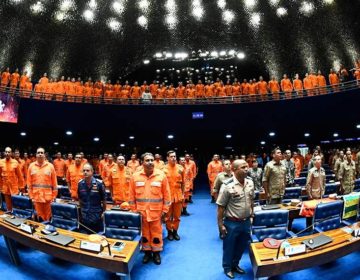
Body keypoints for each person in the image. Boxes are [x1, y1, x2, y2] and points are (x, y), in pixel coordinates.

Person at [128, 153, 171, 265]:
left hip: (156, 212)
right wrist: (134, 211)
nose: (151, 162)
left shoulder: (161, 176)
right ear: (142, 162)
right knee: (145, 234)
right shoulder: (135, 177)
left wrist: (165, 210)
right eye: (147, 160)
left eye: (152, 160)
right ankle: (147, 252)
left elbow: (167, 195)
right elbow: (131, 196)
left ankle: (156, 253)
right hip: (141, 212)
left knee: (157, 233)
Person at [216, 160, 254, 279]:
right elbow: (221, 207)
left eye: (247, 167)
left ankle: (235, 264)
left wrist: (251, 215)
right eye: (243, 167)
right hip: (232, 222)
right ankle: (227, 268)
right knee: (229, 247)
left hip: (246, 221)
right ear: (234, 170)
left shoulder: (250, 182)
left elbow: (251, 200)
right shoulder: (227, 185)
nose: (246, 169)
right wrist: (220, 225)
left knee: (241, 246)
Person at [27, 147, 57, 221]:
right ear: (36, 155)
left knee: (48, 217)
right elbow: (29, 183)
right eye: (38, 153)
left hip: (48, 198)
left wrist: (54, 196)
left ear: (44, 155)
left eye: (41, 153)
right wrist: (31, 197)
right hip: (36, 198)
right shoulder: (31, 166)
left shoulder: (50, 166)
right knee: (38, 218)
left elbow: (54, 183)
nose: (40, 154)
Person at [78, 163, 106, 233]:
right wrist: (81, 211)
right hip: (84, 215)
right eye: (84, 170)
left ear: (92, 171)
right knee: (84, 235)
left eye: (87, 170)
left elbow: (104, 200)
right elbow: (80, 199)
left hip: (96, 215)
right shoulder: (80, 184)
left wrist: (104, 212)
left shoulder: (99, 184)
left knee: (96, 236)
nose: (85, 172)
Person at [164, 150, 184, 241]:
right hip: (167, 196)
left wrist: (183, 194)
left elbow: (183, 183)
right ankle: (169, 232)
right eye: (171, 156)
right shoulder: (162, 170)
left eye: (174, 156)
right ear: (167, 158)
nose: (173, 158)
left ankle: (175, 231)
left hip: (178, 195)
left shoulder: (180, 168)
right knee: (167, 216)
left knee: (177, 216)